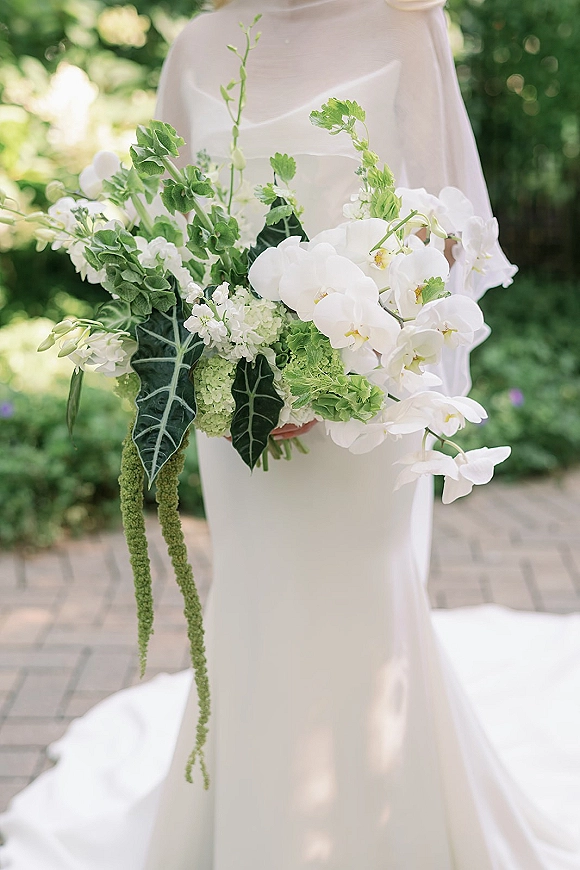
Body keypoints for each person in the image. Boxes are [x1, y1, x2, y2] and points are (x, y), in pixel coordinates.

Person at [1, 1, 580, 868]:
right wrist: (225, 364)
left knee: (363, 598)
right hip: (233, 397)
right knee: (258, 595)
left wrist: (349, 365)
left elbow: (448, 233)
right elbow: (167, 229)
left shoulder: (401, 26)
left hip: (365, 394)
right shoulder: (199, 44)